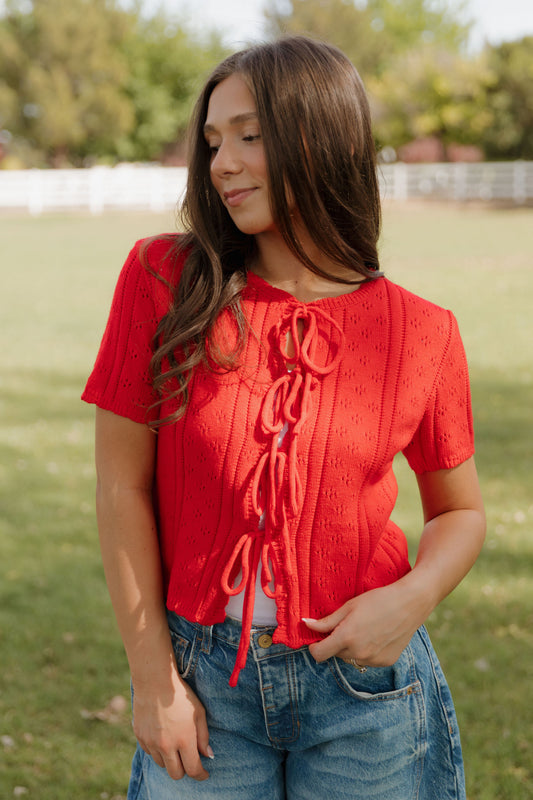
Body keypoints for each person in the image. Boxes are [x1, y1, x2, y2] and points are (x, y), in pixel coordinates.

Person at [82, 36, 485, 800]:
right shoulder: (162, 281)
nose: (221, 161)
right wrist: (153, 681)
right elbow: (119, 490)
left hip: (366, 692)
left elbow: (459, 512)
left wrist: (411, 598)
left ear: (320, 134)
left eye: (248, 134)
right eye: (211, 141)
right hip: (201, 685)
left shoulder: (422, 331)